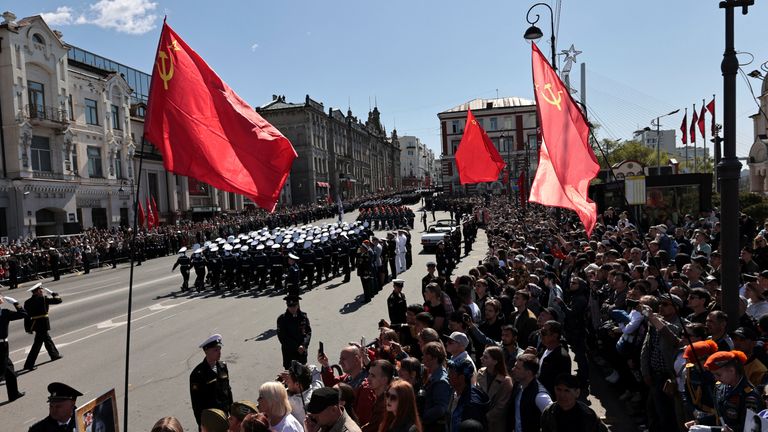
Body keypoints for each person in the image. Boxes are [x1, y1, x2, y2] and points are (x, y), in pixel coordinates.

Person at [685, 350, 763, 432]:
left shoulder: (749, 395)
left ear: (732, 371)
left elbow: (750, 428)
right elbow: (720, 417)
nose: (715, 378)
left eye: (718, 374)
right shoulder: (720, 388)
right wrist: (699, 422)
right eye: (713, 375)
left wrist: (711, 430)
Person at [190, 334, 234, 428]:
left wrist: (232, 414)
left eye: (219, 349)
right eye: (215, 350)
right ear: (206, 351)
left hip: (224, 416)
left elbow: (228, 392)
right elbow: (196, 405)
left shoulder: (222, 366)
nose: (219, 352)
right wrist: (202, 425)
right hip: (210, 421)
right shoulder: (197, 374)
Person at [540, 374, 608, 432]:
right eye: (558, 389)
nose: (562, 395)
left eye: (567, 391)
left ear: (577, 392)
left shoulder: (588, 415)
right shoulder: (548, 413)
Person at [23, 283, 63, 371]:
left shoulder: (27, 302)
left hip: (35, 324)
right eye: (40, 290)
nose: (42, 291)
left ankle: (54, 355)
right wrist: (54, 293)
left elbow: (26, 316)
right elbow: (58, 300)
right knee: (38, 344)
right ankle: (29, 364)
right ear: (37, 291)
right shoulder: (43, 299)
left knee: (44, 340)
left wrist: (28, 328)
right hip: (43, 323)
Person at [509, 353, 552, 432]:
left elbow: (554, 420)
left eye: (517, 368)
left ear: (528, 373)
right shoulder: (518, 385)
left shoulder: (540, 396)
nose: (513, 369)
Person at [475, 346, 513, 432]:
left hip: (495, 424)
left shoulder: (506, 381)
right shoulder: (480, 373)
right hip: (479, 421)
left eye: (485, 357)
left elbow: (501, 406)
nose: (481, 358)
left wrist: (485, 417)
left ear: (495, 361)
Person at [446, 359, 489, 432]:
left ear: (461, 378)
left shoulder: (472, 403)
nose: (448, 375)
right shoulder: (454, 392)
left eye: (451, 373)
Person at [0, 294, 27, 401]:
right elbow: (23, 314)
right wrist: (16, 303)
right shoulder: (4, 313)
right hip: (1, 346)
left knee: (9, 369)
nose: (1, 296)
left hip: (2, 345)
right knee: (3, 370)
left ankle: (13, 394)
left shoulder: (4, 313)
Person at [421, 342, 451, 432]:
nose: (423, 357)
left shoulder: (441, 381)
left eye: (425, 355)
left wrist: (422, 418)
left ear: (433, 358)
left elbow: (440, 408)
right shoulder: (431, 373)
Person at [277, 295, 312, 369]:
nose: (292, 308)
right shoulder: (282, 319)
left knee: (302, 375)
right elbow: (283, 337)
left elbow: (308, 332)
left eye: (294, 305)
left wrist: (304, 345)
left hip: (302, 352)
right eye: (290, 306)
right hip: (289, 353)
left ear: (298, 304)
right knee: (290, 377)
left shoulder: (303, 317)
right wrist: (297, 347)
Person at [363, 360, 396, 432]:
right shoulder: (382, 396)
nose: (368, 378)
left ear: (384, 380)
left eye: (373, 376)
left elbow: (370, 429)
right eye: (369, 374)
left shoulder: (384, 403)